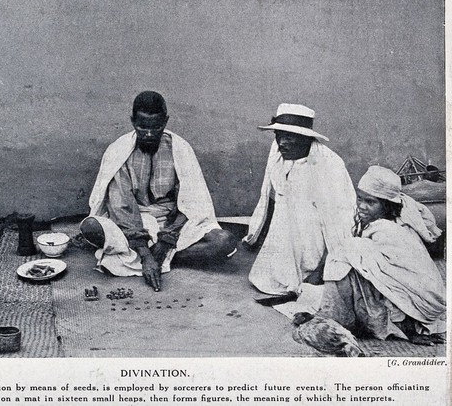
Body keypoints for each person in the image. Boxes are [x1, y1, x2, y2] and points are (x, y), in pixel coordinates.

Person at [80, 91, 238, 291]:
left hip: (173, 224)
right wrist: (146, 254)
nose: (148, 134)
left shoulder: (180, 148)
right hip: (131, 223)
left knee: (224, 241)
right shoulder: (119, 151)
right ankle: (156, 258)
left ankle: (154, 258)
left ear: (165, 121)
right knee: (91, 227)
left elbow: (191, 202)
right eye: (142, 127)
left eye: (155, 127)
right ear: (132, 121)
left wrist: (165, 242)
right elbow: (121, 206)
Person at [316, 165, 446, 345]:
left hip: (415, 305)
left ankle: (336, 320)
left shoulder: (389, 231)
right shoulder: (384, 221)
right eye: (360, 199)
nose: (362, 206)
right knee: (351, 252)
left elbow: (399, 284)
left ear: (387, 205)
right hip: (409, 299)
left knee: (344, 254)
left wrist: (410, 331)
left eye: (370, 202)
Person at [243, 103, 356, 299]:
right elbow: (270, 197)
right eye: (278, 136)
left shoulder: (330, 164)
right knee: (265, 279)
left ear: (306, 138)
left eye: (289, 137)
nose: (282, 143)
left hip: (315, 242)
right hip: (285, 237)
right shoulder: (278, 153)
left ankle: (310, 271)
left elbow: (342, 222)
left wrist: (323, 270)